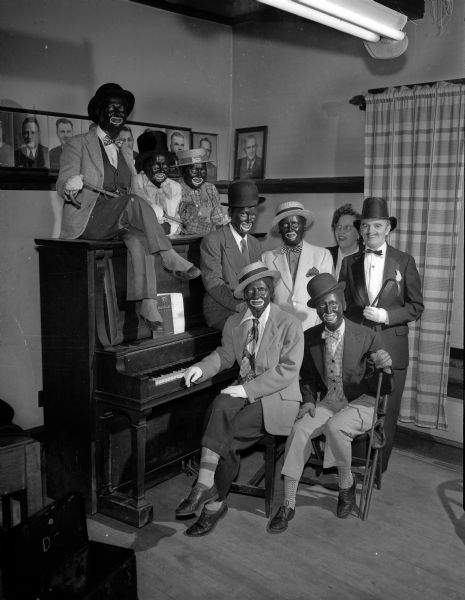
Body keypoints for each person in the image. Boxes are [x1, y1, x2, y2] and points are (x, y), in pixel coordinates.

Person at [56, 82, 200, 331]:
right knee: (134, 203)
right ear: (99, 112)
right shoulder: (78, 143)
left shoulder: (124, 152)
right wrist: (70, 184)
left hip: (118, 219)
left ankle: (148, 303)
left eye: (121, 109)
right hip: (89, 219)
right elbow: (63, 182)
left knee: (139, 238)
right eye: (111, 107)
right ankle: (167, 256)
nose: (117, 112)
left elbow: (132, 192)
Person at [176, 261, 304, 536]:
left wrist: (247, 391)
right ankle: (204, 483)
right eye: (250, 291)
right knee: (218, 406)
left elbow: (288, 371)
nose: (256, 294)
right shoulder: (236, 323)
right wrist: (199, 367)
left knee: (228, 439)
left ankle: (214, 505)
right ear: (243, 295)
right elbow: (224, 356)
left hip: (277, 396)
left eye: (262, 289)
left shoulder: (290, 323)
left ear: (270, 290)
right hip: (245, 387)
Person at [268, 273, 393, 533]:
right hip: (328, 401)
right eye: (322, 305)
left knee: (336, 427)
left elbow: (383, 386)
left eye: (333, 302)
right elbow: (308, 378)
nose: (328, 310)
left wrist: (383, 365)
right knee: (300, 430)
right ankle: (288, 502)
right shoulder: (311, 336)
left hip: (362, 401)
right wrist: (309, 401)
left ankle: (346, 485)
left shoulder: (366, 335)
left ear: (343, 303)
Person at [339, 197, 424, 471]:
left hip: (393, 349)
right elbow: (345, 307)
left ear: (388, 228)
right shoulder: (349, 262)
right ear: (360, 230)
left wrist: (387, 316)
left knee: (387, 414)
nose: (370, 231)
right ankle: (354, 466)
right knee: (357, 407)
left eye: (377, 225)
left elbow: (416, 306)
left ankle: (378, 470)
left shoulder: (404, 260)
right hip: (360, 349)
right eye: (365, 226)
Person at [200, 180, 264, 330]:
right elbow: (213, 283)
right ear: (230, 213)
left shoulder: (255, 243)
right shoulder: (213, 240)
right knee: (253, 329)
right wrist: (241, 306)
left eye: (252, 214)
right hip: (222, 310)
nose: (249, 219)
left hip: (250, 308)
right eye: (243, 214)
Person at [261, 200, 334, 331]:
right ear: (279, 229)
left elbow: (329, 297)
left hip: (314, 328)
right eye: (284, 225)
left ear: (304, 225)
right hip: (280, 330)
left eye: (295, 223)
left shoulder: (322, 255)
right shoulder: (267, 258)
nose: (290, 229)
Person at [134, 130, 182, 236]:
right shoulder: (135, 183)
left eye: (165, 165)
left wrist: (167, 228)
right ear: (144, 165)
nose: (161, 169)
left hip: (171, 241)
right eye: (156, 165)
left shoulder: (175, 187)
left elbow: (177, 219)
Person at [177, 148, 228, 236]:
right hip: (184, 242)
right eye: (194, 170)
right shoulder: (175, 189)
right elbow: (185, 226)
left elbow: (218, 219)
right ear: (182, 171)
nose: (199, 175)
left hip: (210, 240)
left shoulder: (210, 188)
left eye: (203, 170)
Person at [327, 203, 364, 279]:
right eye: (338, 227)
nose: (341, 231)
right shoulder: (325, 254)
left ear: (359, 233)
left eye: (347, 227)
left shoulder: (368, 257)